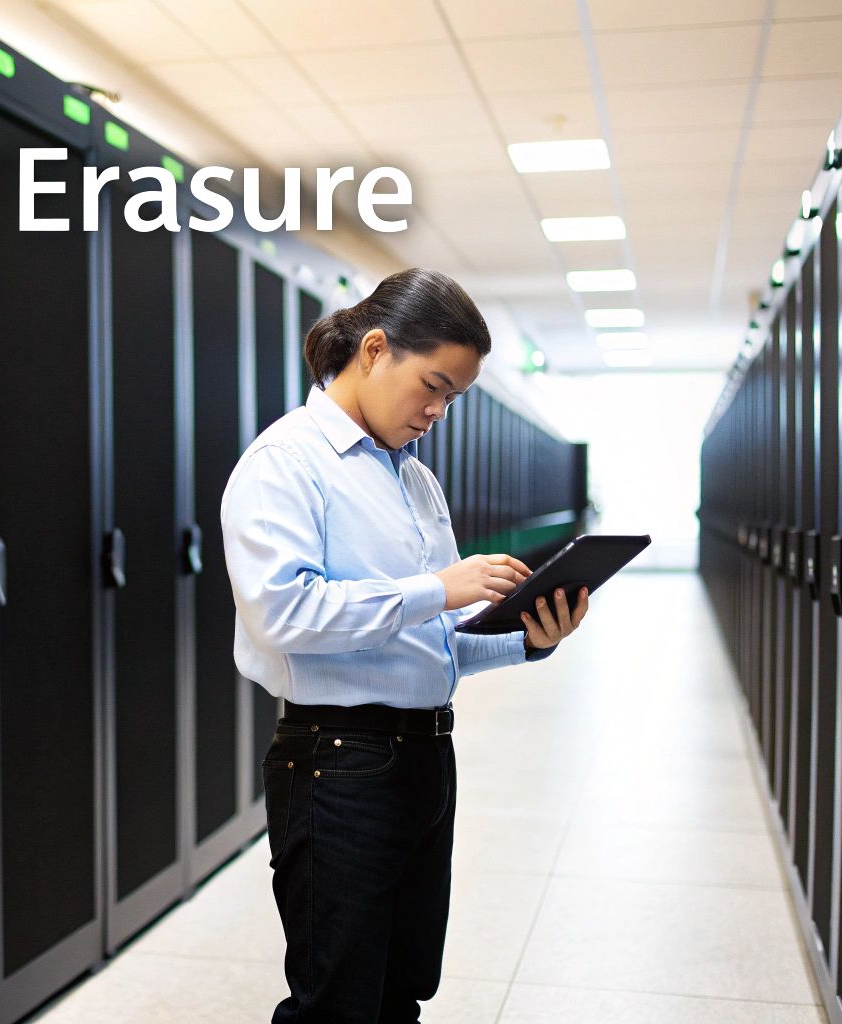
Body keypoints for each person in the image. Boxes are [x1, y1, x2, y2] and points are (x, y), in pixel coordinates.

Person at [220, 267, 590, 1023]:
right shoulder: (286, 463)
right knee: (338, 1002)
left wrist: (527, 638)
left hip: (424, 757)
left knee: (401, 988)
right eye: (433, 385)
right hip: (338, 762)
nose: (437, 411)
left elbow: (435, 642)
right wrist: (441, 588)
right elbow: (284, 614)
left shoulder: (415, 482)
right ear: (375, 348)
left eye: (453, 397)